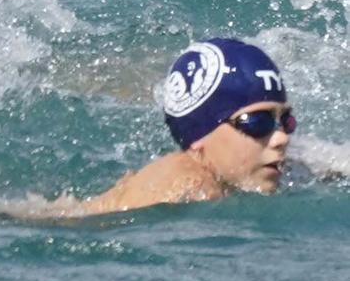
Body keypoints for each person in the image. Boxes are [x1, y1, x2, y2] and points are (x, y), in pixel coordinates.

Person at [67, 40, 293, 213]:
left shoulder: (279, 165)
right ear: (200, 134)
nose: (281, 138)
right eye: (257, 122)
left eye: (285, 121)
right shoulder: (185, 188)